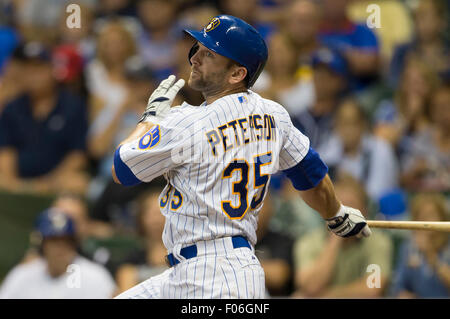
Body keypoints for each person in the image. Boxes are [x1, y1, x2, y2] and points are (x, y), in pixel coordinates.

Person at [111, 15, 371, 299]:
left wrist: (149, 119)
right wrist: (335, 214)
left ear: (237, 74)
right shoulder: (274, 115)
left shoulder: (185, 122)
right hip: (210, 272)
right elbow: (311, 176)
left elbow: (121, 169)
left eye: (209, 54)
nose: (195, 58)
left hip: (213, 276)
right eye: (197, 48)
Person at [0, 42, 89, 195]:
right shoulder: (12, 108)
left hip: (55, 182)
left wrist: (47, 183)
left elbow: (78, 155)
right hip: (16, 181)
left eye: (39, 69)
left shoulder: (73, 106)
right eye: (28, 70)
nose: (33, 76)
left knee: (78, 182)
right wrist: (12, 182)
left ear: (52, 70)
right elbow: (6, 150)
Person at [293, 175, 393, 298]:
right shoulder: (308, 242)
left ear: (364, 211)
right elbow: (310, 287)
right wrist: (336, 237)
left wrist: (330, 295)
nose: (344, 214)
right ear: (325, 210)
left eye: (351, 206)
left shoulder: (378, 242)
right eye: (338, 207)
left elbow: (373, 288)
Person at [0, 208, 116, 299]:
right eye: (53, 241)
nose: (60, 248)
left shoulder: (95, 277)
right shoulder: (22, 275)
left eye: (66, 241)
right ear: (41, 245)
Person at [390, 193, 450, 298]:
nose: (426, 222)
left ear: (442, 218)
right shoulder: (409, 247)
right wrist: (402, 294)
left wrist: (431, 255)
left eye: (431, 215)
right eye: (421, 217)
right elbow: (398, 285)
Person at [115, 188, 168, 294]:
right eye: (151, 213)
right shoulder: (133, 257)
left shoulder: (185, 253)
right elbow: (125, 291)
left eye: (161, 212)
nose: (156, 219)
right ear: (141, 218)